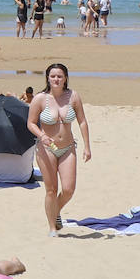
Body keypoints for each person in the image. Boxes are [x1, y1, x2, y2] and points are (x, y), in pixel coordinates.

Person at [27, 63, 92, 235]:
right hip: (46, 149)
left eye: (60, 76)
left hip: (68, 148)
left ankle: (55, 212)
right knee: (51, 190)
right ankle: (52, 227)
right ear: (48, 78)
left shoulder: (73, 96)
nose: (56, 79)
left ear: (65, 78)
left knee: (69, 190)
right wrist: (42, 135)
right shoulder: (40, 99)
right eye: (53, 76)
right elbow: (31, 123)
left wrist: (87, 146)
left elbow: (82, 121)